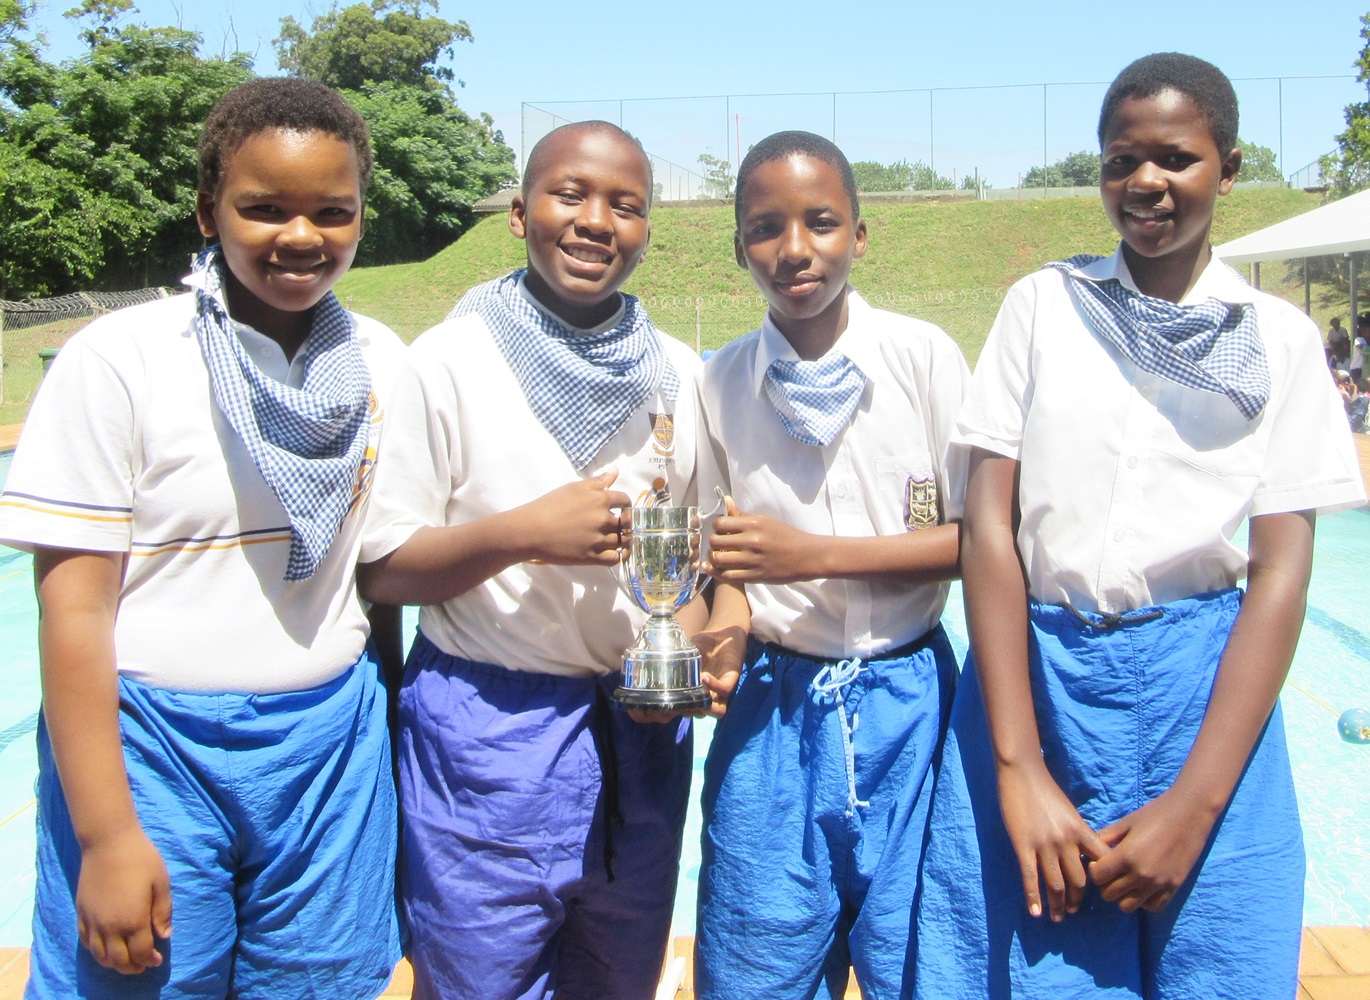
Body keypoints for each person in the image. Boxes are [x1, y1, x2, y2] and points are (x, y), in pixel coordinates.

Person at [914, 52, 1365, 999]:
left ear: (1229, 170)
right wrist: (1018, 767)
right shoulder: (1045, 306)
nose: (1146, 182)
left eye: (1177, 159)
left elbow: (1280, 571)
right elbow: (988, 529)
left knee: (1220, 967)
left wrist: (1196, 806)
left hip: (1207, 696)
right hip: (1040, 684)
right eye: (1122, 161)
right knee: (1032, 968)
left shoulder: (1277, 339)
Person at [0, 78, 404, 998]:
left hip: (328, 753)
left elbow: (369, 577)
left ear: (360, 217)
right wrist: (107, 834)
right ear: (206, 211)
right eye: (263, 208)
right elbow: (73, 610)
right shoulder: (123, 359)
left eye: (331, 211)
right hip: (152, 749)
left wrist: (383, 737)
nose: (300, 236)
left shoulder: (381, 360)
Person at [357, 120, 706, 1000]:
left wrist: (691, 649)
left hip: (638, 738)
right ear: (520, 214)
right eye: (570, 195)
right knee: (479, 980)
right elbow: (385, 567)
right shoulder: (448, 361)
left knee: (618, 980)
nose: (596, 221)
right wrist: (525, 533)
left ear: (647, 229)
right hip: (487, 732)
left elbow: (694, 565)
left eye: (626, 205)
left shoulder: (678, 373)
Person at [691, 131, 969, 1000]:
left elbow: (980, 540)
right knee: (755, 965)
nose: (794, 248)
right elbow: (725, 561)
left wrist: (813, 555)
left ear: (860, 233)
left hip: (913, 703)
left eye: (820, 221)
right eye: (764, 228)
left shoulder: (923, 358)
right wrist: (725, 622)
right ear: (739, 247)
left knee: (924, 961)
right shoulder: (718, 383)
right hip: (773, 713)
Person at [1351, 314, 1367, 380]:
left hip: (1363, 368)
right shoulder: (1358, 340)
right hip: (1356, 367)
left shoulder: (1366, 341)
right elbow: (1360, 347)